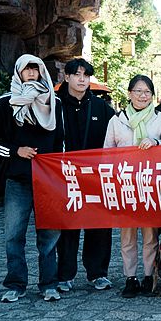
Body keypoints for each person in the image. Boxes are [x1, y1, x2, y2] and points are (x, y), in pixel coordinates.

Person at [0, 54, 64, 303]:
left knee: (49, 236)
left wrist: (58, 173)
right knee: (13, 235)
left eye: (35, 68)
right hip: (18, 180)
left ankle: (49, 284)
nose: (31, 72)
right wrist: (15, 151)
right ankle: (16, 284)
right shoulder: (4, 103)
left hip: (48, 181)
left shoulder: (54, 102)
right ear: (18, 72)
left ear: (41, 72)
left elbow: (61, 141)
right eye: (26, 68)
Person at [104, 75, 161, 299]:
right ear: (129, 93)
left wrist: (156, 143)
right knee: (127, 234)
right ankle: (130, 278)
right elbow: (107, 152)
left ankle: (148, 276)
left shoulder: (160, 118)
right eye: (138, 91)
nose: (143, 96)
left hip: (151, 183)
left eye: (147, 92)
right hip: (125, 183)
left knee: (150, 233)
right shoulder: (117, 120)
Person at [55, 58, 116, 294]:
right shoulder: (54, 105)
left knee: (99, 224)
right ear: (67, 77)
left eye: (86, 75)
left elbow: (117, 137)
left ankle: (98, 273)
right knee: (67, 226)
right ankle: (64, 275)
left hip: (96, 177)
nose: (82, 79)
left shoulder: (102, 108)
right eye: (77, 74)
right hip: (64, 176)